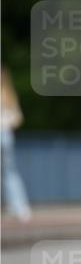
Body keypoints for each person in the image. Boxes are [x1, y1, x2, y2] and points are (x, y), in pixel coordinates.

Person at [1, 66, 32, 221]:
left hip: (4, 134)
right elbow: (17, 118)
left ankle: (19, 207)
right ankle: (19, 208)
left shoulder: (7, 96)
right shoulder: (9, 96)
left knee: (9, 172)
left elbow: (17, 118)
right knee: (10, 172)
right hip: (6, 135)